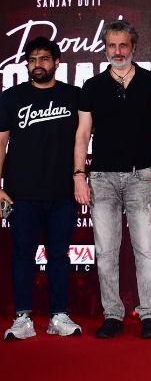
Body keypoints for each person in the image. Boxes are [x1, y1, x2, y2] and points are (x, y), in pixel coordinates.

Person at [73, 20, 151, 340]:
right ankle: (112, 314)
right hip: (102, 178)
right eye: (111, 45)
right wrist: (79, 176)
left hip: (141, 176)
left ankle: (149, 314)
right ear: (105, 48)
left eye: (123, 45)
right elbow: (83, 134)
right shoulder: (92, 86)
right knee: (106, 251)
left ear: (134, 47)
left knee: (146, 250)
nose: (117, 51)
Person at [1, 37, 82, 340]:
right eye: (32, 59)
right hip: (21, 192)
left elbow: (85, 136)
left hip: (63, 191)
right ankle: (22, 318)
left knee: (59, 254)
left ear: (57, 62)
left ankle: (59, 316)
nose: (38, 64)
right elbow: (0, 142)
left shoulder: (73, 96)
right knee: (23, 254)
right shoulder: (11, 97)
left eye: (44, 58)